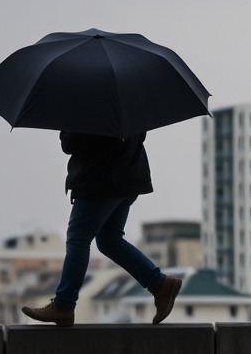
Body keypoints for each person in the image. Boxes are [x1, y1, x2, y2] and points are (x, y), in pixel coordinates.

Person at [21, 131, 181, 326]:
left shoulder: (89, 102)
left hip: (101, 180)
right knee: (109, 240)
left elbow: (71, 142)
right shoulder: (126, 102)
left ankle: (64, 305)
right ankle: (159, 284)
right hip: (127, 175)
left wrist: (68, 130)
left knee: (78, 238)